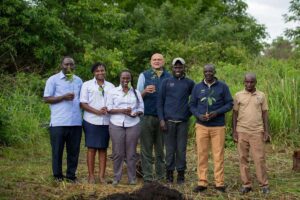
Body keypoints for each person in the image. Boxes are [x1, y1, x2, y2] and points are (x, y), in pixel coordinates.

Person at [190, 64, 233, 193]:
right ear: (203, 72)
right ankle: (202, 182)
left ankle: (219, 183)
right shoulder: (197, 87)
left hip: (218, 126)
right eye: (206, 71)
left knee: (218, 155)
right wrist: (198, 115)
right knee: (201, 154)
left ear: (214, 72)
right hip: (201, 126)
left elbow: (230, 103)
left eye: (210, 71)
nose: (208, 73)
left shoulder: (222, 87)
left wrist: (217, 112)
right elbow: (192, 105)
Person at [43, 56, 83, 182]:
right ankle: (57, 176)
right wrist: (63, 97)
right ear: (61, 65)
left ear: (74, 65)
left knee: (73, 151)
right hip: (58, 122)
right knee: (57, 151)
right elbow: (46, 99)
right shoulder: (53, 80)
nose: (69, 67)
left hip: (76, 122)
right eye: (66, 64)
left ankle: (71, 176)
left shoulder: (78, 81)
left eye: (71, 64)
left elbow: (83, 100)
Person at [157, 57, 195, 184]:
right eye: (175, 67)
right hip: (168, 122)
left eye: (180, 67)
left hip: (182, 123)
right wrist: (162, 120)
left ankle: (181, 175)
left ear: (184, 68)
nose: (178, 69)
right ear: (172, 68)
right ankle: (169, 174)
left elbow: (194, 101)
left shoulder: (189, 83)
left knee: (181, 149)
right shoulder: (166, 82)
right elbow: (160, 103)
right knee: (169, 149)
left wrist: (187, 113)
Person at [232, 73, 270, 194]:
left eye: (251, 82)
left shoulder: (261, 95)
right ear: (244, 82)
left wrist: (266, 131)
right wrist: (234, 131)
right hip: (242, 131)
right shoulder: (238, 95)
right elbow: (234, 114)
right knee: (243, 158)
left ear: (255, 82)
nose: (249, 84)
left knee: (259, 158)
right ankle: (246, 184)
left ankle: (264, 184)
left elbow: (264, 113)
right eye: (246, 82)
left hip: (257, 131)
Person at [137, 53, 171, 183]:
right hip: (147, 117)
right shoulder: (143, 75)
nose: (157, 61)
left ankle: (160, 176)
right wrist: (145, 91)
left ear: (164, 61)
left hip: (163, 118)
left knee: (160, 150)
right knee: (146, 149)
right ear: (151, 61)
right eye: (154, 59)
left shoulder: (169, 76)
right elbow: (137, 97)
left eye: (159, 59)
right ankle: (148, 177)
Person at [107, 70, 144, 185]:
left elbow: (141, 108)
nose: (125, 80)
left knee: (131, 153)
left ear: (131, 79)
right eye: (123, 78)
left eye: (128, 78)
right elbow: (108, 108)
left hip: (133, 124)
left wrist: (135, 113)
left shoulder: (136, 93)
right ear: (120, 78)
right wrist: (122, 111)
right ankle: (116, 178)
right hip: (116, 124)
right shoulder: (113, 92)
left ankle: (132, 178)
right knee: (118, 153)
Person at [80, 62, 115, 184]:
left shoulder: (111, 86)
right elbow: (83, 104)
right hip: (91, 120)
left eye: (102, 70)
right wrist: (97, 112)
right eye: (97, 71)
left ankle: (101, 177)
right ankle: (91, 176)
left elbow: (114, 102)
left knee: (103, 149)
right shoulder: (87, 85)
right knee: (91, 148)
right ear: (93, 73)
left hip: (106, 121)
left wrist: (108, 108)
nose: (100, 72)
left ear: (105, 71)